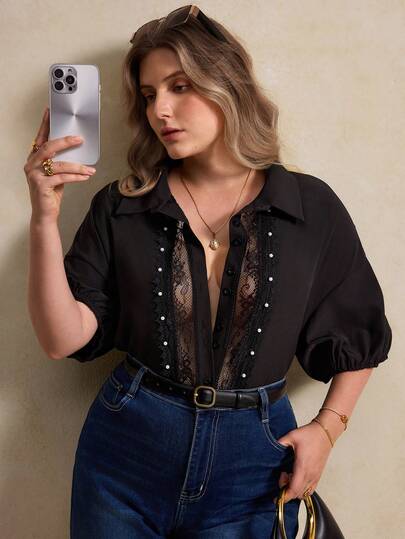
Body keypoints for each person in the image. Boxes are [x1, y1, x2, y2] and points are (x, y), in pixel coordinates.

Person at [25, 5, 392, 538]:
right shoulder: (123, 205)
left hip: (255, 467)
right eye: (149, 95)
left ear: (228, 85)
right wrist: (43, 216)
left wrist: (326, 430)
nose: (160, 110)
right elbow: (61, 339)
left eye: (180, 87)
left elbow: (359, 328)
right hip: (125, 458)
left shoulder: (309, 207)